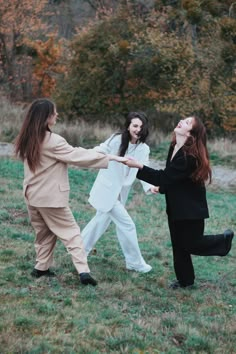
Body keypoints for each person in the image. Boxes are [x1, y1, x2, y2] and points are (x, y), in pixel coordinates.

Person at [14, 98, 127, 286]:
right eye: (54, 112)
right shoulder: (53, 141)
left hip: (32, 196)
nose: (57, 115)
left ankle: (40, 268)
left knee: (44, 233)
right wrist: (111, 158)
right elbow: (77, 156)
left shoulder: (28, 138)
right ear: (46, 117)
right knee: (72, 233)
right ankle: (84, 272)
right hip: (50, 198)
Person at [125, 116, 234, 288]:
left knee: (191, 244)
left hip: (191, 210)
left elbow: (164, 176)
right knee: (178, 245)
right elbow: (173, 179)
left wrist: (139, 167)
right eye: (184, 119)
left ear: (191, 133)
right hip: (176, 206)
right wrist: (161, 188)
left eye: (188, 122)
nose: (182, 121)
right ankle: (185, 281)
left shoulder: (189, 156)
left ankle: (223, 241)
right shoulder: (175, 146)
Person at [81, 112, 159, 273]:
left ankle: (78, 251)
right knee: (127, 225)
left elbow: (143, 169)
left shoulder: (144, 149)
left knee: (100, 222)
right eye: (135, 125)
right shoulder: (116, 139)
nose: (138, 129)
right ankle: (135, 263)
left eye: (141, 126)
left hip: (120, 193)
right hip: (106, 190)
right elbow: (101, 150)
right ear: (128, 126)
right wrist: (82, 154)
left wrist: (149, 186)